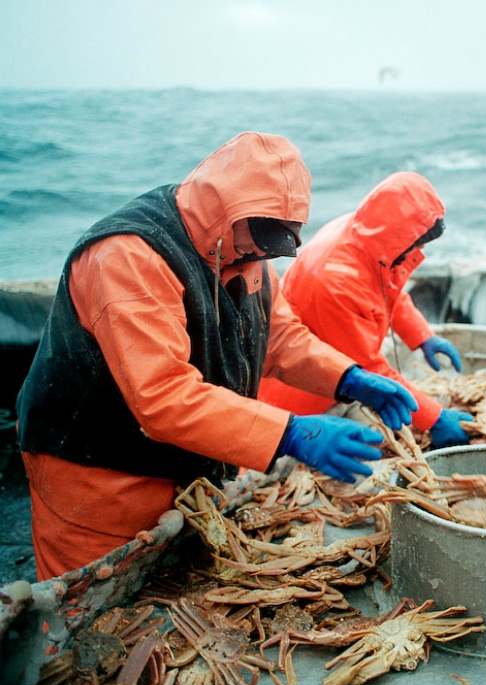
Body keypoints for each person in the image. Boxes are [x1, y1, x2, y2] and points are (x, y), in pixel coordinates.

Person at [16, 132, 418, 581]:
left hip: (182, 467)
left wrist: (348, 377)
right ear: (223, 207)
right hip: (94, 478)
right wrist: (288, 433)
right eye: (259, 237)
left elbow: (279, 339)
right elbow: (164, 397)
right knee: (88, 612)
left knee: (175, 602)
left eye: (279, 241)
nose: (263, 254)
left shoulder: (246, 252)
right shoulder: (128, 257)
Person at [258, 171, 472, 448]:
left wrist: (421, 336)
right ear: (398, 241)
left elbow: (385, 291)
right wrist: (435, 418)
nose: (419, 249)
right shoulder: (334, 281)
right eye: (417, 244)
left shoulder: (367, 235)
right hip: (299, 394)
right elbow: (368, 370)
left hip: (339, 377)